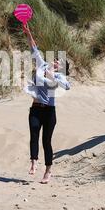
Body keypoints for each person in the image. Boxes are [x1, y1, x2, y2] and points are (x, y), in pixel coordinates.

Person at [22, 24, 70, 184]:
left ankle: (48, 170)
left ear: (62, 69)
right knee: (34, 134)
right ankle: (34, 162)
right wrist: (28, 32)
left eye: (60, 63)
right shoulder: (42, 66)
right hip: (36, 109)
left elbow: (67, 87)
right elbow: (33, 48)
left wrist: (53, 76)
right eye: (56, 60)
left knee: (46, 141)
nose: (56, 62)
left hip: (49, 112)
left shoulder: (60, 78)